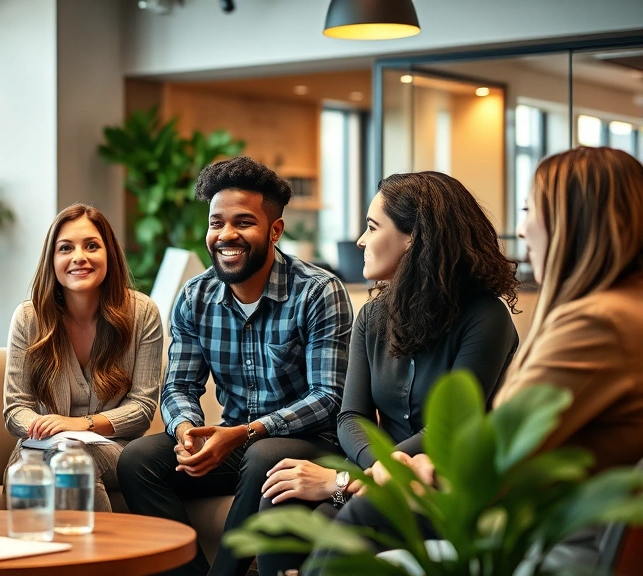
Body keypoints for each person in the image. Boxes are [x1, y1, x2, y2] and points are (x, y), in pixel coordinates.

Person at [318, 147, 643, 573]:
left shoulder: (596, 323)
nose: (522, 230)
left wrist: (350, 481)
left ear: (573, 223)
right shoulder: (623, 308)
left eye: (530, 210)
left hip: (541, 523)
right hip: (558, 510)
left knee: (359, 513)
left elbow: (492, 449)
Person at [256, 171, 521, 576]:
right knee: (281, 500)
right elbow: (351, 416)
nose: (360, 240)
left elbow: (450, 430)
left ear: (413, 238)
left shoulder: (485, 316)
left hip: (441, 482)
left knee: (338, 519)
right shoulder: (374, 316)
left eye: (371, 227)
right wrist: (372, 471)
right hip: (378, 474)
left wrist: (355, 480)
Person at [117, 156, 354, 576]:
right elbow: (178, 387)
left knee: (264, 453)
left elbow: (329, 397)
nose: (226, 235)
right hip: (236, 442)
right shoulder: (196, 296)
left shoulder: (318, 292)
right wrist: (187, 431)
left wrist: (245, 432)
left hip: (311, 443)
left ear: (274, 230)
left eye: (243, 222)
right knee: (137, 461)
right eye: (216, 223)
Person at [3, 203, 163, 511]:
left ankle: (94, 557)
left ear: (109, 255)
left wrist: (78, 425)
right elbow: (15, 410)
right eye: (66, 248)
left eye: (92, 246)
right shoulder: (29, 317)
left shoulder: (143, 313)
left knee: (75, 458)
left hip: (114, 451)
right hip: (40, 451)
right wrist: (50, 429)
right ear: (52, 259)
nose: (79, 257)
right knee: (63, 454)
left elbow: (141, 409)